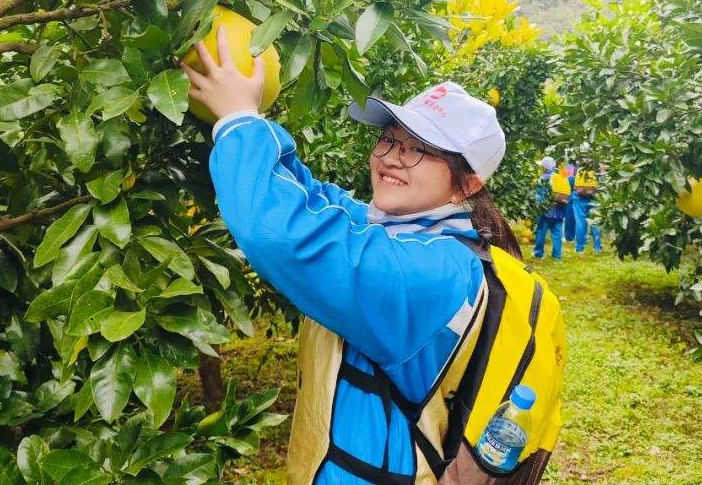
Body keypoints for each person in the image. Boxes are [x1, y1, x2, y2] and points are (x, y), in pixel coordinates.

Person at [183, 27, 564, 483]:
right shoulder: (395, 232)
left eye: (419, 149)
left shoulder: (435, 274)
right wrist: (249, 115)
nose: (391, 157)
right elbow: (314, 200)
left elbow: (288, 236)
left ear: (469, 183)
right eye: (389, 139)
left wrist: (238, 121)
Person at [533, 156, 570, 260]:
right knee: (557, 233)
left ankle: (538, 253)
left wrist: (538, 206)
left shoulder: (544, 178)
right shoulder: (560, 177)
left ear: (545, 168)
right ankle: (557, 255)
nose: (541, 168)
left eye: (542, 166)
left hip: (546, 211)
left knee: (541, 231)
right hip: (559, 210)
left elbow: (539, 195)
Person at [572, 155, 602, 254]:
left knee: (580, 224)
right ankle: (597, 247)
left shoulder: (580, 170)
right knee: (595, 222)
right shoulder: (595, 170)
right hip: (593, 199)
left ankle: (579, 248)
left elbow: (575, 186)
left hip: (579, 200)